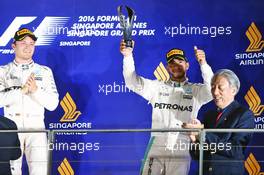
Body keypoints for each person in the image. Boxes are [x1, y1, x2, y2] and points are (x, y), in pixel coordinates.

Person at [120, 40, 214, 175]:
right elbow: (132, 82)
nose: (176, 66)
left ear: (187, 65)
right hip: (157, 142)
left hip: (182, 144)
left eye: (180, 62)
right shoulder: (156, 87)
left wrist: (203, 64)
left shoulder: (196, 91)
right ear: (168, 68)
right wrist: (127, 56)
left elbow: (212, 91)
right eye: (172, 64)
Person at [0, 28, 59, 175]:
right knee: (11, 172)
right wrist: (21, 91)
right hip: (11, 129)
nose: (28, 47)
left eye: (31, 43)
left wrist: (35, 90)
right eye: (23, 43)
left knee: (40, 172)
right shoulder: (2, 71)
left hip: (37, 128)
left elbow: (53, 104)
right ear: (13, 46)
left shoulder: (45, 71)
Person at [188, 69, 255, 175]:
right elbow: (197, 156)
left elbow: (235, 150)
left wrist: (203, 134)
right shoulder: (209, 116)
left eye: (220, 87)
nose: (215, 92)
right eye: (213, 87)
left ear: (233, 90)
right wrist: (194, 140)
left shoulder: (244, 115)